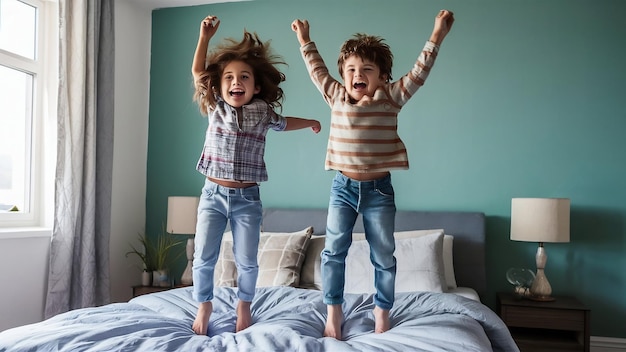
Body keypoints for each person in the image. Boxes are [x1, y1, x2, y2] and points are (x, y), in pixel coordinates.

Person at [291, 9, 455, 339]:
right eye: (351, 69)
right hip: (343, 188)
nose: (357, 74)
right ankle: (333, 313)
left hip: (379, 191)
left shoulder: (391, 97)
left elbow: (419, 73)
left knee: (382, 255)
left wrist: (437, 35)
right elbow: (317, 71)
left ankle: (382, 313)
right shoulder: (335, 95)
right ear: (344, 76)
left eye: (367, 69)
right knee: (333, 251)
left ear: (382, 77)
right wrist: (304, 40)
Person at [191, 15, 321, 336]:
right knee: (203, 256)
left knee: (247, 260)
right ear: (220, 86)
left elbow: (284, 122)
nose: (237, 82)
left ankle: (244, 305)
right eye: (230, 78)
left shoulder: (263, 113)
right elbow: (198, 72)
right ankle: (204, 304)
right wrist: (204, 37)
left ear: (256, 86)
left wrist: (310, 122)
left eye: (244, 77)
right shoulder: (216, 107)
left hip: (248, 199)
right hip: (213, 195)